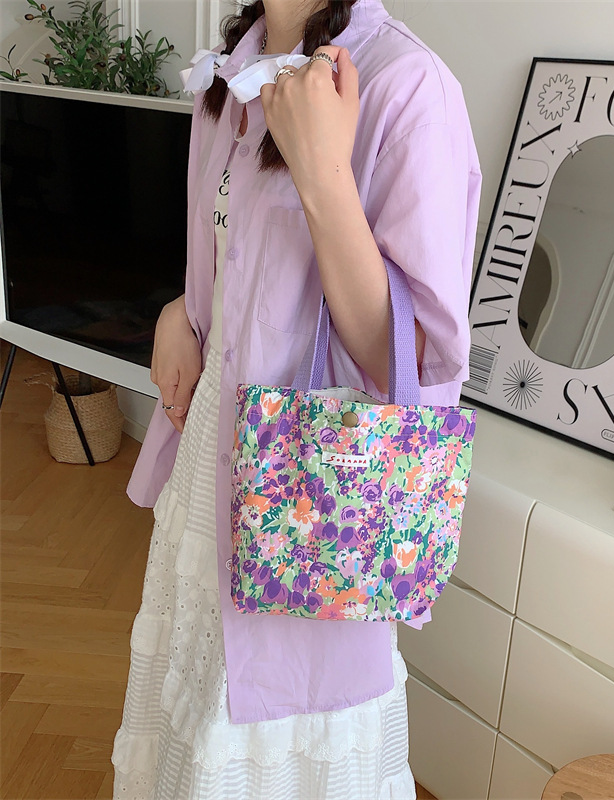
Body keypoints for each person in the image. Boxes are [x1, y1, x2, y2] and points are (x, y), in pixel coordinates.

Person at [111, 0, 481, 796]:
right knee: (192, 721)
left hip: (308, 487)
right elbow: (240, 267)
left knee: (272, 745)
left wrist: (322, 174)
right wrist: (182, 311)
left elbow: (411, 367)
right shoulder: (230, 74)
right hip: (212, 461)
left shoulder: (406, 85)